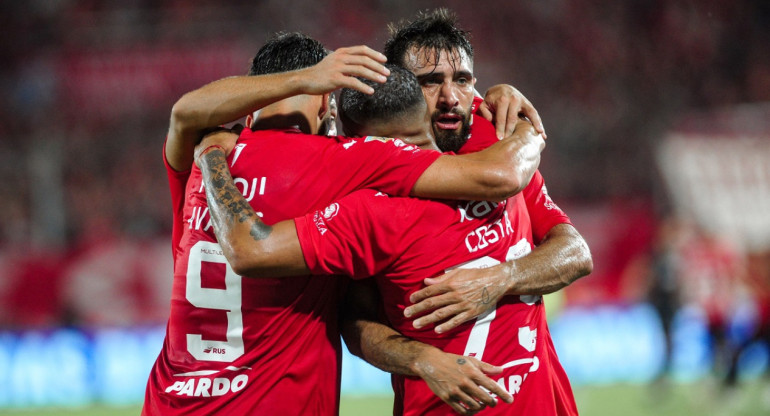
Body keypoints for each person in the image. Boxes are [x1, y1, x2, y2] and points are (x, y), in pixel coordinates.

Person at [144, 32, 546, 415]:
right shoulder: (341, 160)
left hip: (168, 401)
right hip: (275, 404)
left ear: (248, 108)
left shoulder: (201, 162)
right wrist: (509, 113)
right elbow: (501, 175)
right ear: (326, 107)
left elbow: (184, 112)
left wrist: (212, 152)